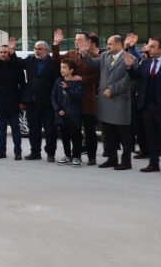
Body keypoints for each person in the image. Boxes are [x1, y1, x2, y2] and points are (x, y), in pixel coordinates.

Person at [79, 36, 137, 170]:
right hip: (105, 101)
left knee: (124, 134)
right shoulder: (105, 56)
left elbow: (129, 80)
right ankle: (112, 159)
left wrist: (112, 90)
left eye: (110, 44)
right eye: (107, 43)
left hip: (119, 100)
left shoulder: (130, 59)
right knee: (108, 132)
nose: (108, 46)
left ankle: (126, 162)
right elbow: (93, 63)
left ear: (119, 45)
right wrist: (83, 53)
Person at [124, 38, 161, 176]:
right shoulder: (145, 62)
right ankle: (153, 163)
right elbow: (137, 77)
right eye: (149, 47)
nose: (149, 49)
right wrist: (130, 67)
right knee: (151, 136)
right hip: (147, 105)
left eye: (152, 47)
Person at [52, 29, 100, 165]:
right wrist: (56, 43)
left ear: (87, 42)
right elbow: (56, 59)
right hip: (70, 101)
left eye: (79, 40)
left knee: (89, 130)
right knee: (72, 130)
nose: (76, 42)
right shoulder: (71, 54)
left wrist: (81, 78)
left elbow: (97, 77)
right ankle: (73, 155)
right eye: (75, 39)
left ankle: (91, 156)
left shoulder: (95, 56)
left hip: (86, 98)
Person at [8, 38, 60, 162]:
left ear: (46, 50)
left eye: (39, 49)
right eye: (35, 49)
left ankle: (51, 153)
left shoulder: (53, 63)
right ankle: (35, 152)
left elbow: (57, 81)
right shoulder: (30, 61)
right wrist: (12, 50)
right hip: (32, 101)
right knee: (34, 129)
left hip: (48, 102)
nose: (37, 51)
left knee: (49, 130)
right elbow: (16, 63)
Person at [51, 59, 85, 167]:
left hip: (73, 115)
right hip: (61, 115)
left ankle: (76, 156)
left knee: (75, 137)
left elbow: (78, 96)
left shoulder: (76, 82)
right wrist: (58, 109)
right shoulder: (58, 81)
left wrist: (68, 88)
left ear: (71, 70)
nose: (62, 70)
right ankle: (67, 155)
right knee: (64, 136)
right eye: (61, 67)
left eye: (64, 68)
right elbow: (53, 97)